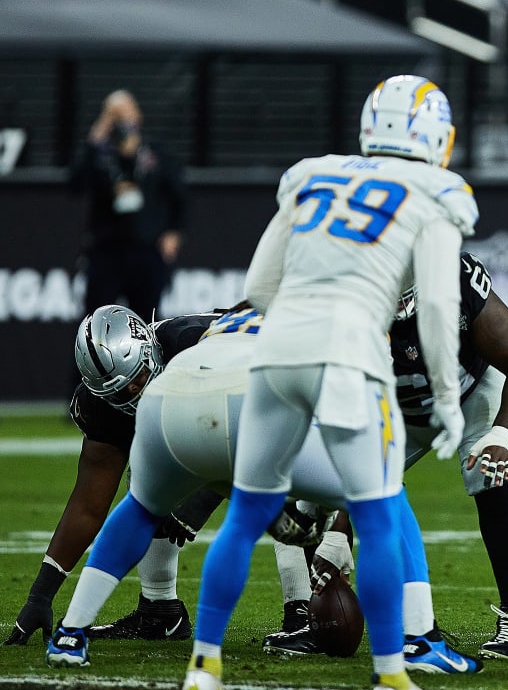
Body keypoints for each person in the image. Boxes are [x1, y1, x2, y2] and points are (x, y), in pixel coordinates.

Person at [181, 74, 476, 690]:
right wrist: (447, 397)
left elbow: (260, 287)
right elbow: (442, 309)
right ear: (436, 136)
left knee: (243, 516)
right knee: (374, 512)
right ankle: (393, 668)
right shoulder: (436, 191)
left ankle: (204, 664)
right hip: (348, 357)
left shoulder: (314, 174)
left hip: (278, 349)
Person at [42, 307, 481, 674]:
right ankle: (419, 639)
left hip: (169, 414)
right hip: (246, 404)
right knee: (380, 489)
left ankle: (72, 633)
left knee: (140, 507)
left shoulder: (225, 319)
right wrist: (333, 527)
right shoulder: (325, 325)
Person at [262, 252, 508, 661]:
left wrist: (501, 433)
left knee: (491, 475)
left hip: (468, 393)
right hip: (394, 409)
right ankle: (310, 617)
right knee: (311, 488)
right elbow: (344, 430)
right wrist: (339, 531)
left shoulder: (453, 277)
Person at [4, 304, 225, 647]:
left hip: (282, 379)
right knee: (147, 469)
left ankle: (301, 609)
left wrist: (197, 503)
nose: (134, 394)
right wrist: (40, 596)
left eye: (137, 378)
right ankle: (160, 611)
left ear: (150, 351)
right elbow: (88, 506)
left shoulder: (196, 350)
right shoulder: (103, 408)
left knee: (295, 487)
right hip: (211, 421)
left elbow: (256, 438)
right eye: (119, 393)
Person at [69, 89, 186, 322]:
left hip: (146, 250)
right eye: (115, 114)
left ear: (138, 115)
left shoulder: (155, 154)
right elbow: (75, 184)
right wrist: (97, 137)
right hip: (106, 251)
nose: (123, 120)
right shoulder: (100, 156)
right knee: (95, 322)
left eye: (126, 112)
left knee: (147, 321)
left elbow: (180, 196)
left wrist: (174, 232)